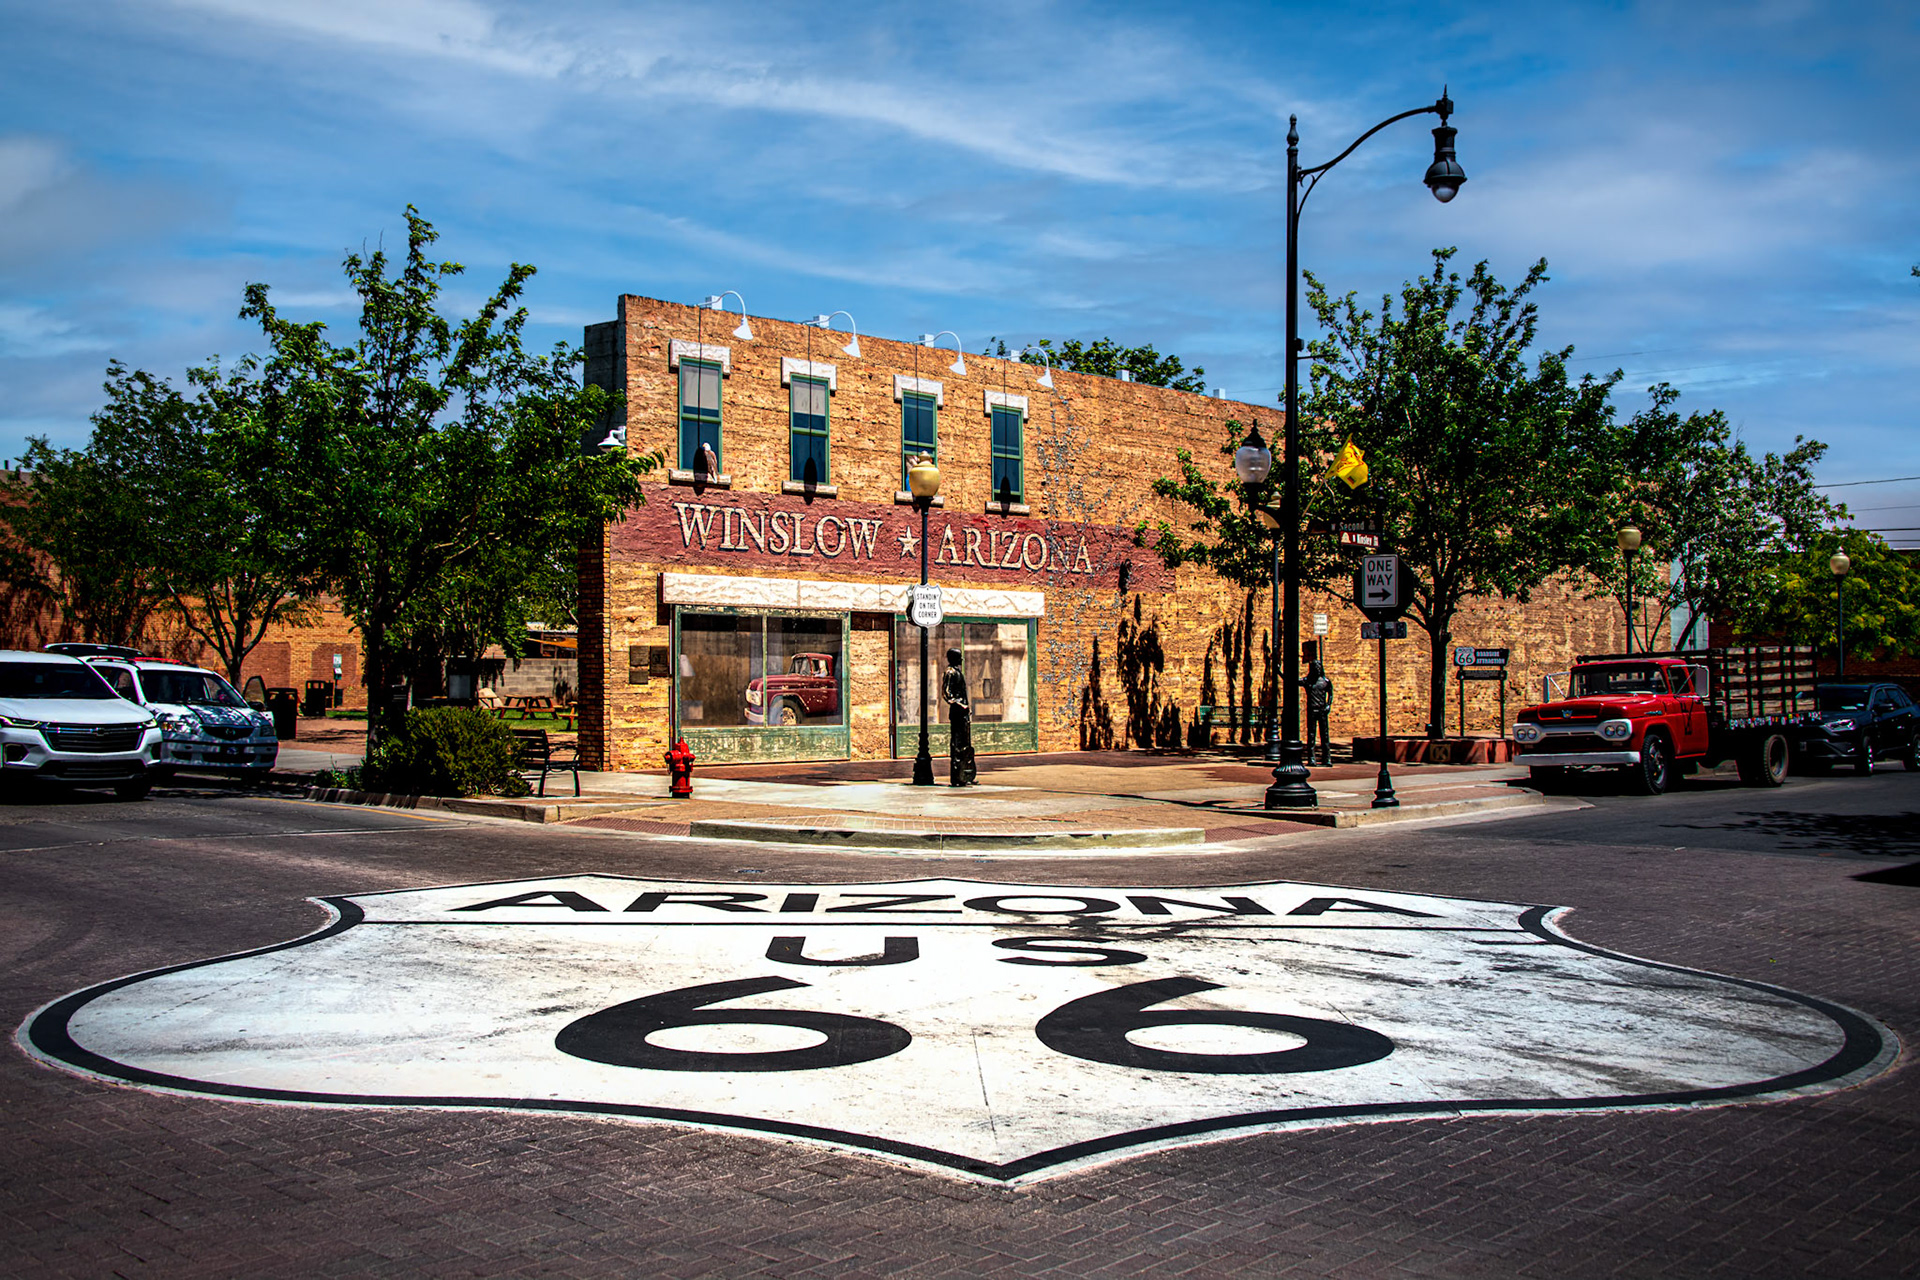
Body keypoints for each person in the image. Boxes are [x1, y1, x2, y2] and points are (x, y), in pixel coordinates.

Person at [943, 646, 977, 787]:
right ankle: (957, 777)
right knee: (957, 745)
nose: (961, 659)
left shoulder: (957, 671)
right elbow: (947, 694)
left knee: (965, 744)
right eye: (959, 656)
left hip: (963, 714)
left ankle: (965, 774)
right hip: (957, 713)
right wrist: (960, 705)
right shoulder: (950, 673)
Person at [1300, 649, 1334, 767]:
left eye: (1319, 667)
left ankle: (1327, 758)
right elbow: (1291, 681)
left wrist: (1328, 705)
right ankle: (1311, 758)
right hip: (1312, 710)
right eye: (1315, 667)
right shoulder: (1308, 681)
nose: (1317, 669)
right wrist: (1279, 672)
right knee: (1311, 735)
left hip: (1322, 709)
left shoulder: (1325, 681)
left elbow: (1330, 693)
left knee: (1325, 735)